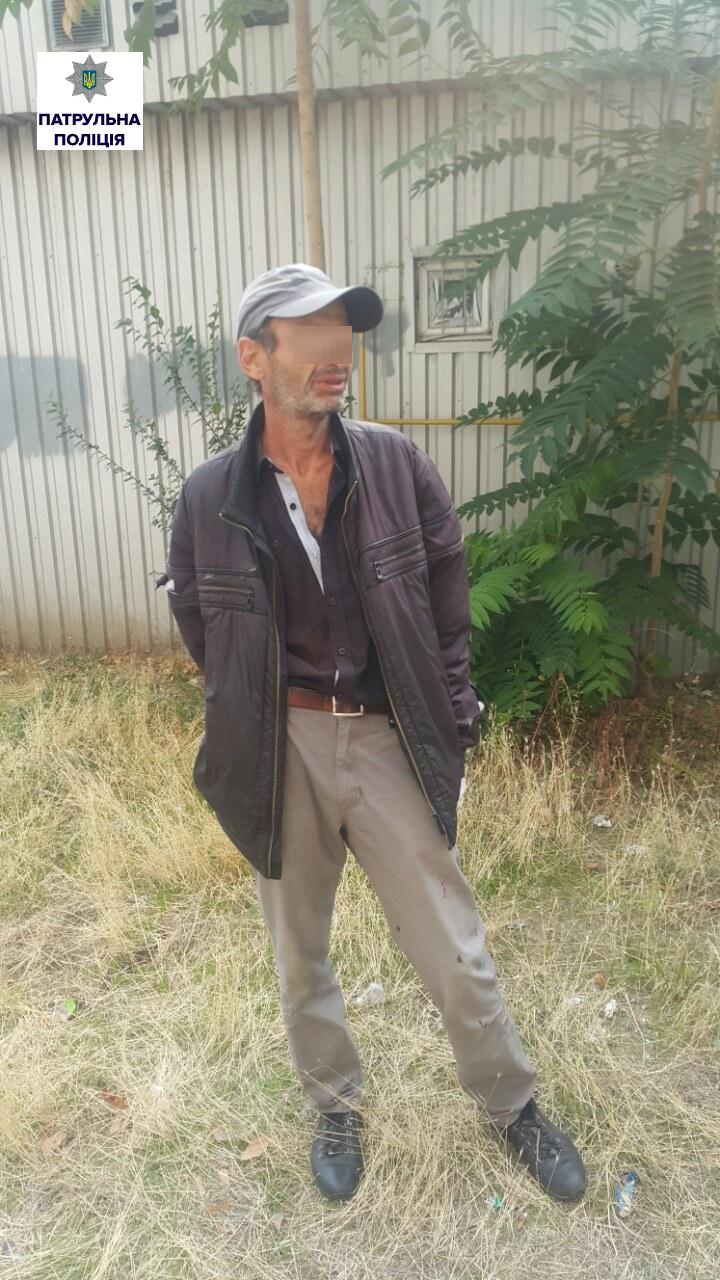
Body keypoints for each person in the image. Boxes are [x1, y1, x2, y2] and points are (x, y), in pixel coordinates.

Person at [157, 262, 587, 1204]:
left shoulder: (395, 467)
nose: (336, 355)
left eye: (343, 334)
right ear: (254, 358)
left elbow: (446, 602)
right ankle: (335, 1104)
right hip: (281, 748)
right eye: (309, 337)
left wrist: (453, 713)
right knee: (299, 949)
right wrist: (243, 710)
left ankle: (511, 1104)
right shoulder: (209, 495)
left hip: (385, 733)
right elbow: (200, 619)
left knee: (451, 942)